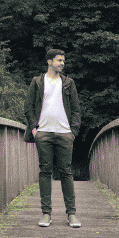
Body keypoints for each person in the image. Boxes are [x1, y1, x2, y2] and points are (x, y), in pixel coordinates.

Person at [23, 49, 82, 228]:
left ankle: (71, 214)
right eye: (59, 60)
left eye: (63, 60)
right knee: (45, 172)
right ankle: (46, 214)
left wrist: (73, 131)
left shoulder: (68, 83)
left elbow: (76, 109)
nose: (62, 63)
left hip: (65, 133)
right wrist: (34, 128)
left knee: (66, 172)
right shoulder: (38, 82)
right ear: (49, 62)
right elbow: (29, 106)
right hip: (44, 133)